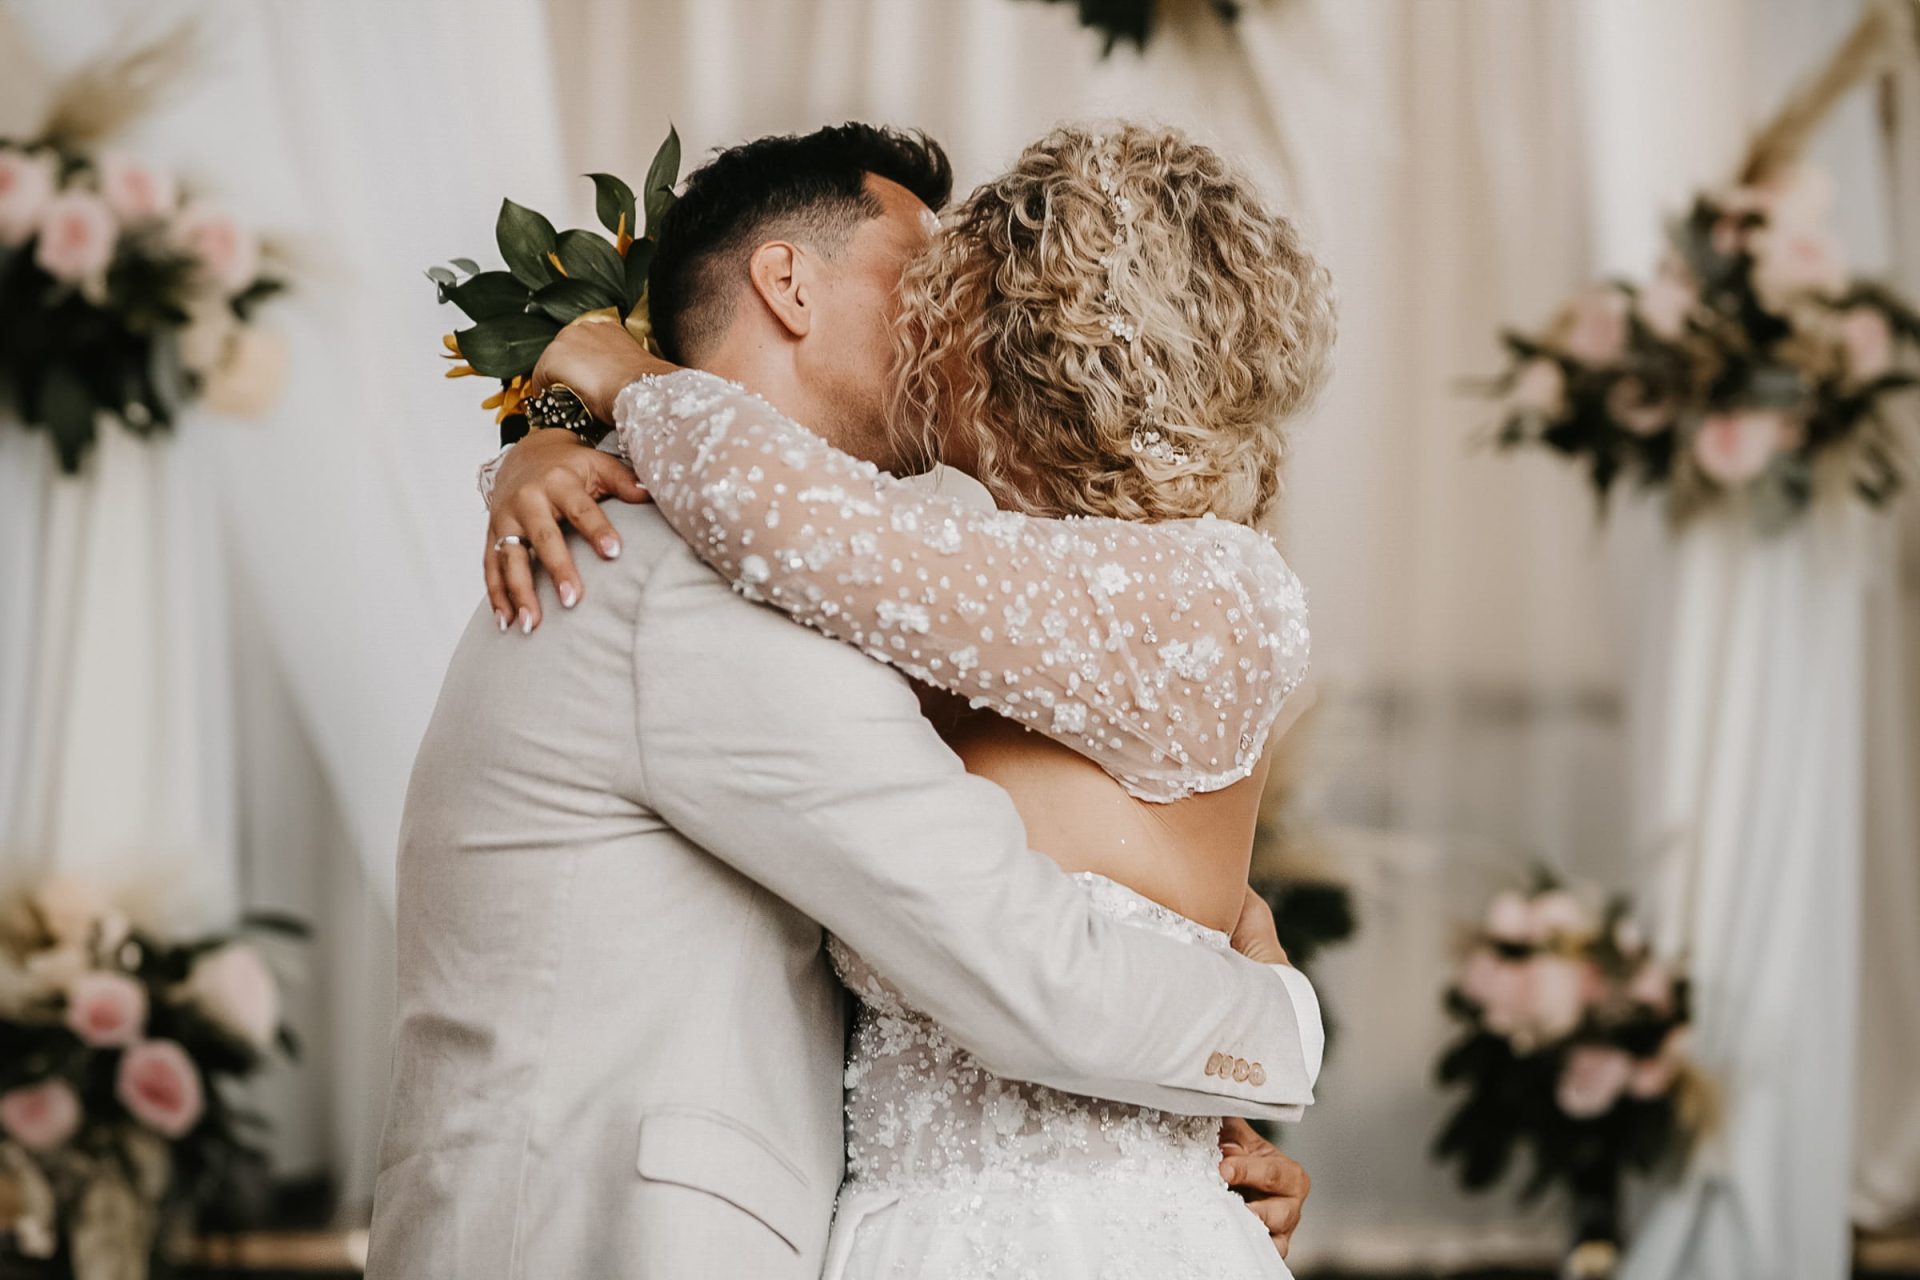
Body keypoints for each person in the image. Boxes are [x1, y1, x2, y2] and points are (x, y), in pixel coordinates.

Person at [366, 123, 1320, 1280]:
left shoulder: (874, 579)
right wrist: (1274, 1023)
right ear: (788, 285)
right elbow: (1018, 963)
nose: (957, 322)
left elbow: (1100, 877)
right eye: (927, 279)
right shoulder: (680, 573)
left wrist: (1176, 1155)